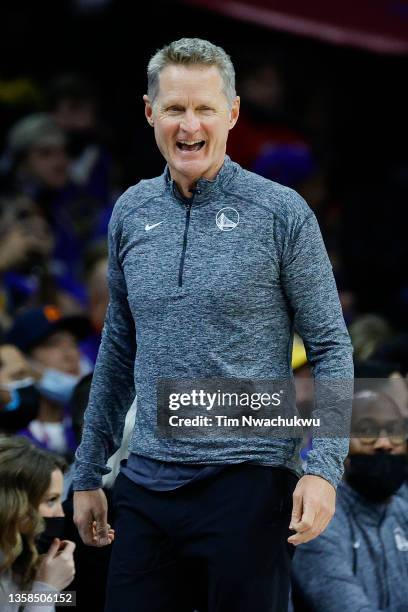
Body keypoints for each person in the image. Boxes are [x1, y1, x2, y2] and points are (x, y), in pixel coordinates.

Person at [73, 38, 353, 612]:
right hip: (146, 480)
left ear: (233, 112)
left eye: (204, 107)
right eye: (174, 108)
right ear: (150, 112)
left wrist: (323, 468)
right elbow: (118, 349)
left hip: (248, 481)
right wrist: (87, 471)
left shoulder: (280, 212)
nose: (189, 124)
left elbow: (330, 346)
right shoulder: (130, 211)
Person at [291, 390, 408, 612]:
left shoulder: (402, 510)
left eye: (395, 432)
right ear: (338, 445)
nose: (384, 443)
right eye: (366, 431)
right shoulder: (317, 517)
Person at [4, 305, 92, 459]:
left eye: (73, 343)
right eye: (53, 344)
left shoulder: (88, 422)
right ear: (22, 359)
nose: (71, 355)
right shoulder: (8, 431)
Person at [0, 435, 76, 611]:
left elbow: (11, 600)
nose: (61, 513)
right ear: (14, 503)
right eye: (51, 500)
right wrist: (46, 589)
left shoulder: (16, 557)